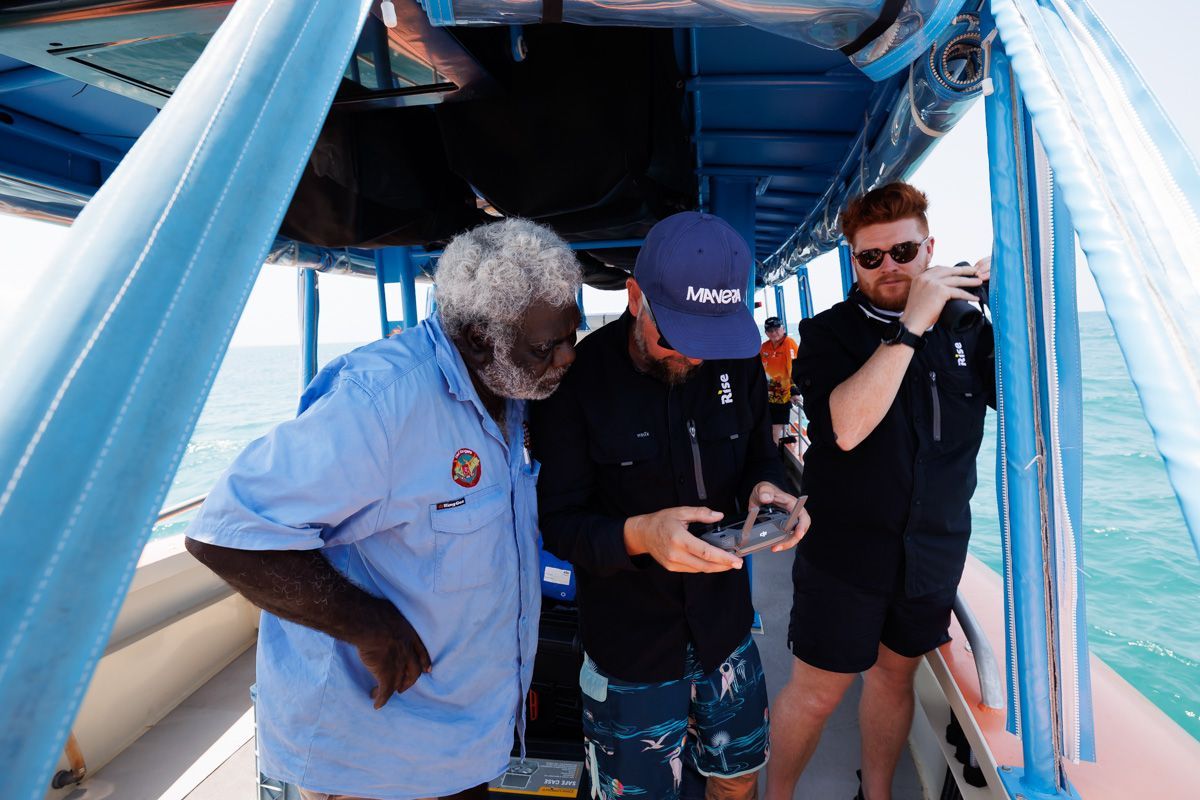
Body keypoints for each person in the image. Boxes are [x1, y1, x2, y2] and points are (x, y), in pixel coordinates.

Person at [183, 219, 582, 800]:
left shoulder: (509, 388)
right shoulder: (381, 402)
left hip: (465, 745)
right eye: (546, 346)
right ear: (476, 337)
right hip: (374, 763)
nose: (567, 357)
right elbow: (228, 530)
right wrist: (366, 623)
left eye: (574, 333)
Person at [530, 211, 812, 800]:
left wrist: (768, 490)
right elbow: (558, 523)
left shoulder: (739, 360)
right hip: (629, 648)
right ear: (636, 297)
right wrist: (641, 536)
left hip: (726, 633)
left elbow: (760, 455)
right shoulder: (574, 385)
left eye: (712, 337)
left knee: (737, 779)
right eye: (678, 335)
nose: (697, 356)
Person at [765, 182, 994, 800]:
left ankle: (880, 793)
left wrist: (1015, 302)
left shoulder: (970, 330)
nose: (890, 267)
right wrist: (912, 327)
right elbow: (845, 427)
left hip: (932, 553)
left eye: (904, 251)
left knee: (893, 682)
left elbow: (1033, 406)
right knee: (818, 692)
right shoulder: (827, 334)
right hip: (845, 554)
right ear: (854, 262)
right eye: (872, 257)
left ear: (930, 249)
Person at [759, 316, 799, 443]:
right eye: (770, 330)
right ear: (766, 333)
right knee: (765, 429)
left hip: (782, 397)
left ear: (783, 328)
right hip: (765, 396)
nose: (774, 333)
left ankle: (773, 458)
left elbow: (795, 369)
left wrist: (794, 391)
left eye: (777, 329)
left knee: (774, 431)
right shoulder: (764, 347)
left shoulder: (789, 343)